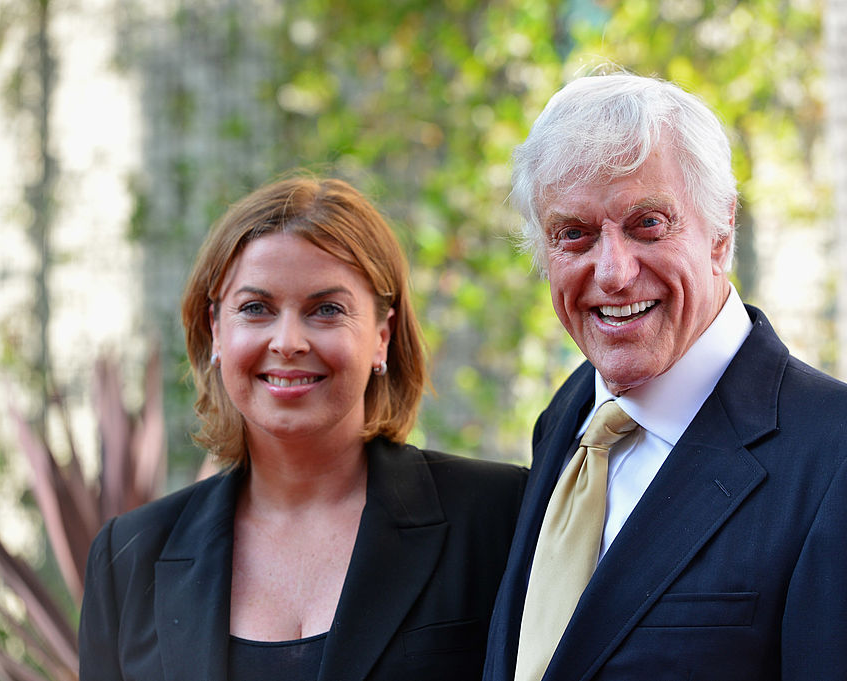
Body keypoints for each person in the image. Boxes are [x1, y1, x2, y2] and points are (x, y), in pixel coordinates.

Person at [484, 73, 847, 681]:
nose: (615, 272)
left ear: (721, 231)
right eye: (573, 234)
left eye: (647, 223)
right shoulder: (571, 415)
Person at [79, 173, 527, 681]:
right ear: (216, 331)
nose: (288, 341)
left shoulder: (498, 514)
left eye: (327, 310)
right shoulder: (129, 558)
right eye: (255, 309)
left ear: (382, 335)